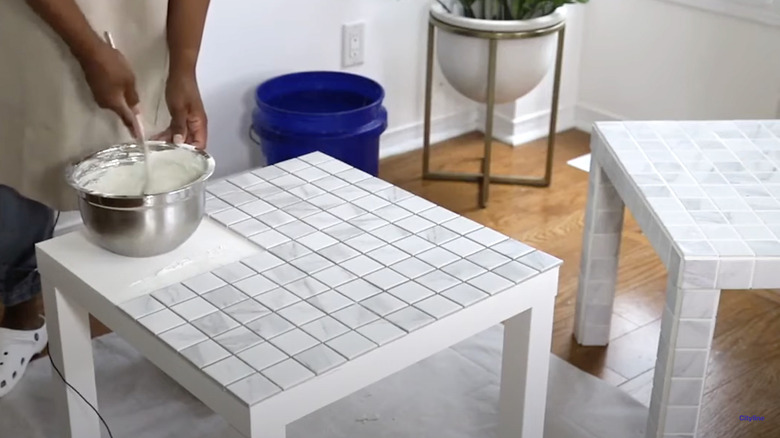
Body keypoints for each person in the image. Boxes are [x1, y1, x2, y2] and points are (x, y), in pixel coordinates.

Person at [0, 0, 210, 398]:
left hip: (138, 23)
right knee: (21, 164)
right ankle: (23, 310)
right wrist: (90, 51)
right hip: (34, 21)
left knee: (141, 144)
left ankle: (161, 313)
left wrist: (184, 66)